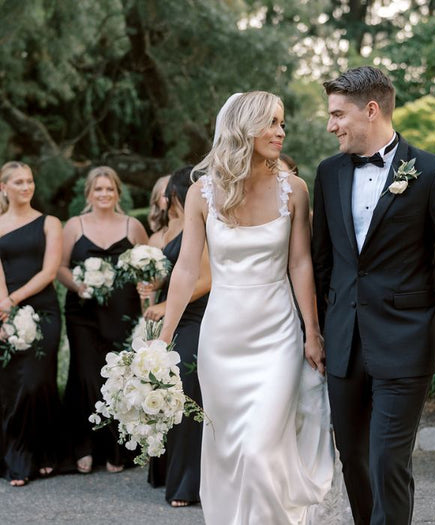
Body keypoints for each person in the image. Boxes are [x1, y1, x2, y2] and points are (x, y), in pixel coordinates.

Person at [312, 66, 435, 524]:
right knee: (354, 458)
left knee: (388, 460)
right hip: (345, 344)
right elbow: (323, 262)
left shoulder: (431, 172)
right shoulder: (327, 174)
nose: (331, 126)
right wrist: (318, 331)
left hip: (405, 343)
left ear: (371, 110)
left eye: (337, 115)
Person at [159, 91, 334, 524]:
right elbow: (185, 271)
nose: (281, 132)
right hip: (222, 339)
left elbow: (300, 263)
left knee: (259, 450)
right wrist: (161, 341)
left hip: (277, 333)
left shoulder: (294, 189)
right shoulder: (202, 193)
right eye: (272, 123)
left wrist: (312, 332)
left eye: (282, 123)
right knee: (229, 449)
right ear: (244, 127)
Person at [57, 166, 147, 475]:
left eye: (110, 189)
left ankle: (116, 447)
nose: (104, 194)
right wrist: (78, 285)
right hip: (83, 313)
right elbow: (60, 267)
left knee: (119, 377)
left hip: (122, 313)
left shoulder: (133, 226)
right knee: (85, 375)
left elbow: (147, 266)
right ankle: (83, 446)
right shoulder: (74, 225)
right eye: (98, 189)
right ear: (89, 194)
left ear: (118, 193)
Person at [142, 166, 210, 507]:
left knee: (186, 396)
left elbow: (206, 279)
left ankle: (188, 483)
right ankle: (167, 469)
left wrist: (167, 306)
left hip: (195, 319)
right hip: (174, 318)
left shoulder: (201, 225)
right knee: (167, 393)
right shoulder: (176, 228)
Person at [0, 161, 63, 487]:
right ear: (4, 188)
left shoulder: (49, 223)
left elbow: (49, 272)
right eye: (19, 182)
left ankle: (43, 453)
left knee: (37, 381)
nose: (26, 187)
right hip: (5, 312)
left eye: (29, 181)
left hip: (44, 311)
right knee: (12, 384)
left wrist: (13, 299)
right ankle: (17, 456)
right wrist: (3, 308)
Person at [147, 175, 170, 244]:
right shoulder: (154, 239)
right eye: (165, 195)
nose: (169, 199)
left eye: (174, 194)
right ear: (157, 201)